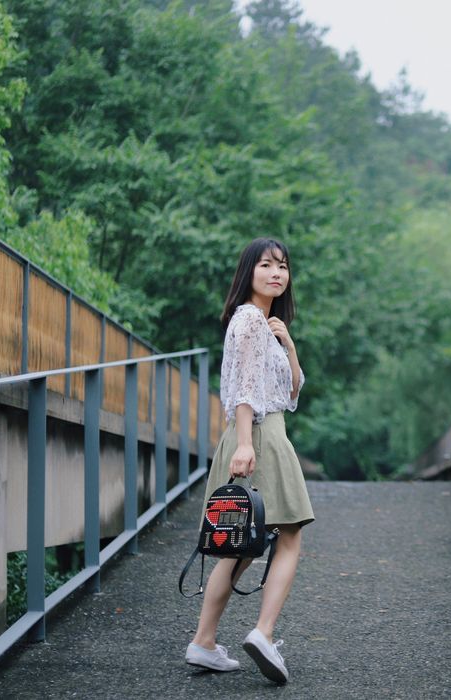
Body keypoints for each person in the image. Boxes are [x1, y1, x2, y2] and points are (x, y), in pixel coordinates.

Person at [184, 237, 314, 684]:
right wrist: (244, 443)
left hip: (265, 432)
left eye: (282, 266)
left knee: (239, 546)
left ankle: (204, 642)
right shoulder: (249, 320)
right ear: (248, 272)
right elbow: (245, 390)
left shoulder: (265, 324)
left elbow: (292, 394)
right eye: (266, 265)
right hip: (259, 435)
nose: (276, 273)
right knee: (290, 536)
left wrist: (290, 346)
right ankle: (263, 632)